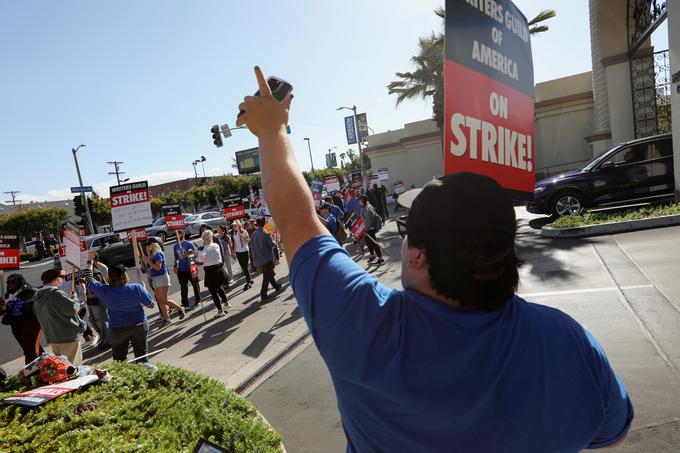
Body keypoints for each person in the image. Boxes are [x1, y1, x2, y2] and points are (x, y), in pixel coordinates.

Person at [235, 67, 633, 451]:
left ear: (418, 257)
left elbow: (295, 220)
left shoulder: (369, 327)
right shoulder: (568, 340)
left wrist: (272, 131)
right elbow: (613, 433)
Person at [83, 255, 155, 363]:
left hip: (117, 328)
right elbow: (151, 305)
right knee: (142, 357)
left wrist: (90, 263)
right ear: (124, 275)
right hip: (138, 325)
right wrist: (144, 289)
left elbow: (88, 279)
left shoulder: (105, 290)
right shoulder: (136, 288)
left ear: (109, 277)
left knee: (119, 361)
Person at [33, 268, 84, 364]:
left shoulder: (37, 296)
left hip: (53, 336)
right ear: (56, 279)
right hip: (67, 335)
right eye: (61, 277)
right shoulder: (56, 293)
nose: (62, 279)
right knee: (72, 367)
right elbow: (73, 309)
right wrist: (75, 298)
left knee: (63, 366)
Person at [0, 274, 44, 364]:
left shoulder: (30, 291)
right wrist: (1, 305)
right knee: (28, 348)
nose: (10, 284)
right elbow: (3, 311)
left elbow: (41, 303)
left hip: (31, 323)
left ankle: (31, 372)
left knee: (30, 349)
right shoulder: (8, 295)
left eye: (13, 281)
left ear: (20, 281)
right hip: (16, 326)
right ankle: (44, 363)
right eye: (8, 282)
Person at [145, 241, 185, 327]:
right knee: (159, 300)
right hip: (155, 278)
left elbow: (158, 267)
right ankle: (167, 319)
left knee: (164, 299)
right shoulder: (151, 255)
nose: (147, 247)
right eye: (146, 246)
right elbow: (149, 269)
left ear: (153, 245)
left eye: (149, 245)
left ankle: (180, 308)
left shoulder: (157, 253)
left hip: (162, 277)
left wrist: (148, 261)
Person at [197, 230, 229, 317]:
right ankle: (226, 303)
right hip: (219, 269)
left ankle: (220, 310)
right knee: (219, 287)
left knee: (213, 292)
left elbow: (200, 261)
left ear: (204, 239)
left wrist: (198, 254)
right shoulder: (216, 245)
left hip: (211, 271)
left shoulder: (205, 250)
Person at [250, 217, 282, 302]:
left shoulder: (254, 234)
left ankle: (276, 286)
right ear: (264, 223)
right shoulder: (265, 233)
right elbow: (271, 244)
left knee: (269, 273)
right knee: (267, 276)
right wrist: (275, 241)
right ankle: (263, 294)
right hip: (266, 259)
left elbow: (251, 246)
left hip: (258, 258)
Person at [173, 230, 201, 310]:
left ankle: (198, 300)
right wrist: (175, 266)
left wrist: (187, 254)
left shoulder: (189, 244)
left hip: (191, 267)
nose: (177, 235)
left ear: (183, 234)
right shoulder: (175, 246)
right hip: (181, 269)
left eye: (178, 234)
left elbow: (196, 255)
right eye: (176, 234)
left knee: (195, 284)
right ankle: (185, 304)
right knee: (183, 287)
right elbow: (176, 257)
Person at [84, 270, 111, 350]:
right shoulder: (84, 271)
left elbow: (99, 282)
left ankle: (107, 341)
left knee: (102, 321)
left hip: (98, 298)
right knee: (92, 320)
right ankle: (103, 338)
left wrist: (86, 280)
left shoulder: (95, 271)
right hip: (90, 298)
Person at [359, 195, 384, 265]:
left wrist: (366, 229)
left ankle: (380, 258)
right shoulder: (365, 206)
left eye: (360, 201)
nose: (359, 202)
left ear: (363, 201)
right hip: (368, 227)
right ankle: (372, 255)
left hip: (371, 228)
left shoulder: (367, 208)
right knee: (368, 242)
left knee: (374, 243)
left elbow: (368, 220)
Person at [232, 220, 254, 290]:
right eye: (233, 226)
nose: (234, 227)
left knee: (245, 267)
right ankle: (250, 279)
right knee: (243, 267)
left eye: (235, 225)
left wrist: (241, 235)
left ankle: (248, 282)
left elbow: (248, 241)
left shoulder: (244, 232)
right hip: (238, 252)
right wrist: (234, 252)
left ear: (239, 225)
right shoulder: (234, 233)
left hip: (244, 251)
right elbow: (235, 243)